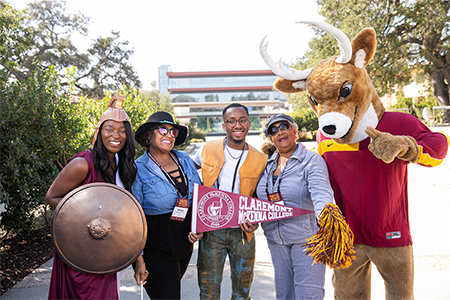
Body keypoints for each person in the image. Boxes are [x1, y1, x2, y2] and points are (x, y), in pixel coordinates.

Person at [45, 95, 148, 300]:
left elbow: (125, 219)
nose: (115, 135)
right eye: (109, 129)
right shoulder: (83, 164)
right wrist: (84, 215)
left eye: (121, 130)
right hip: (81, 252)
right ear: (99, 132)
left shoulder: (121, 165)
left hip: (107, 252)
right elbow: (52, 197)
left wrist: (139, 261)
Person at [192, 103, 268, 300]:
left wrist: (256, 220)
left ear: (249, 124)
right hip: (212, 230)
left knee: (242, 292)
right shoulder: (207, 149)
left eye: (242, 120)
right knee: (208, 290)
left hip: (244, 232)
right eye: (231, 121)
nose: (237, 125)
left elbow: (261, 194)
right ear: (224, 125)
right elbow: (187, 173)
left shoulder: (261, 159)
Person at [256, 114, 334, 300]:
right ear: (270, 138)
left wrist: (326, 213)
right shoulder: (265, 165)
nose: (280, 131)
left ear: (295, 131)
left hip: (306, 239)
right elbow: (254, 197)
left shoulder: (311, 161)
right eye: (273, 130)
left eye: (284, 126)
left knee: (308, 294)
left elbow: (321, 191)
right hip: (276, 239)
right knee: (284, 295)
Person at [131, 111, 203, 299]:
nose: (169, 135)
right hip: (155, 248)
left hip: (183, 244)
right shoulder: (138, 169)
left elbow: (199, 196)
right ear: (148, 135)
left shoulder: (185, 159)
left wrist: (199, 227)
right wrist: (138, 260)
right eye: (163, 130)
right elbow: (133, 218)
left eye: (173, 132)